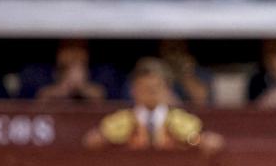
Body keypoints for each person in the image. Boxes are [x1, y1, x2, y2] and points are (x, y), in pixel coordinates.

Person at [83, 59, 223, 153]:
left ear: (167, 89)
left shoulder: (182, 121)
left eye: (155, 88)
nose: (150, 93)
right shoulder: (119, 122)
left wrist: (203, 141)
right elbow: (91, 141)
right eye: (145, 88)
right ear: (133, 90)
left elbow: (210, 142)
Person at [36, 40, 106, 102]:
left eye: (79, 49)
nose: (73, 54)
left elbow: (105, 106)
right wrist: (62, 88)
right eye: (68, 49)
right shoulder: (39, 72)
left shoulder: (102, 72)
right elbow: (36, 106)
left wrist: (82, 87)